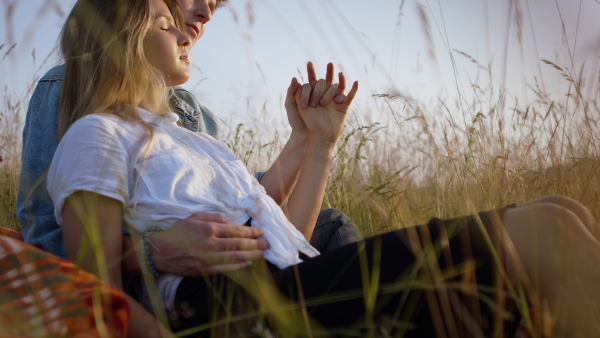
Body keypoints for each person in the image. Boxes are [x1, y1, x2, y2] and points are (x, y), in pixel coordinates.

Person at [46, 0, 600, 337]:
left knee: (562, 209)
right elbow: (99, 292)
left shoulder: (193, 141)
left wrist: (319, 145)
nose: (186, 29)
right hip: (224, 311)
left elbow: (293, 240)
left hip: (288, 282)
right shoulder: (98, 134)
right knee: (545, 235)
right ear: (121, 38)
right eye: (165, 21)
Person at [17, 0, 361, 278]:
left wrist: (308, 138)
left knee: (334, 224)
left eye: (213, 3)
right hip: (194, 285)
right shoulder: (75, 90)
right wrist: (153, 250)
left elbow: (246, 209)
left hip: (237, 261)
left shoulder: (191, 113)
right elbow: (51, 232)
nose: (207, 12)